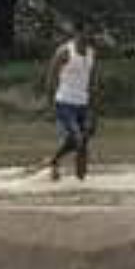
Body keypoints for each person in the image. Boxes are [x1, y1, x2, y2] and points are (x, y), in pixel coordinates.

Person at [45, 24, 99, 182]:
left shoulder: (91, 53)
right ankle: (54, 161)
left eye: (91, 35)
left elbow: (92, 81)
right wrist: (50, 106)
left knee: (83, 143)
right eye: (86, 34)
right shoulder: (64, 52)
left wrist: (93, 109)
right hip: (64, 102)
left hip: (83, 103)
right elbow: (51, 78)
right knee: (78, 138)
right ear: (77, 33)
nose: (88, 38)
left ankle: (81, 180)